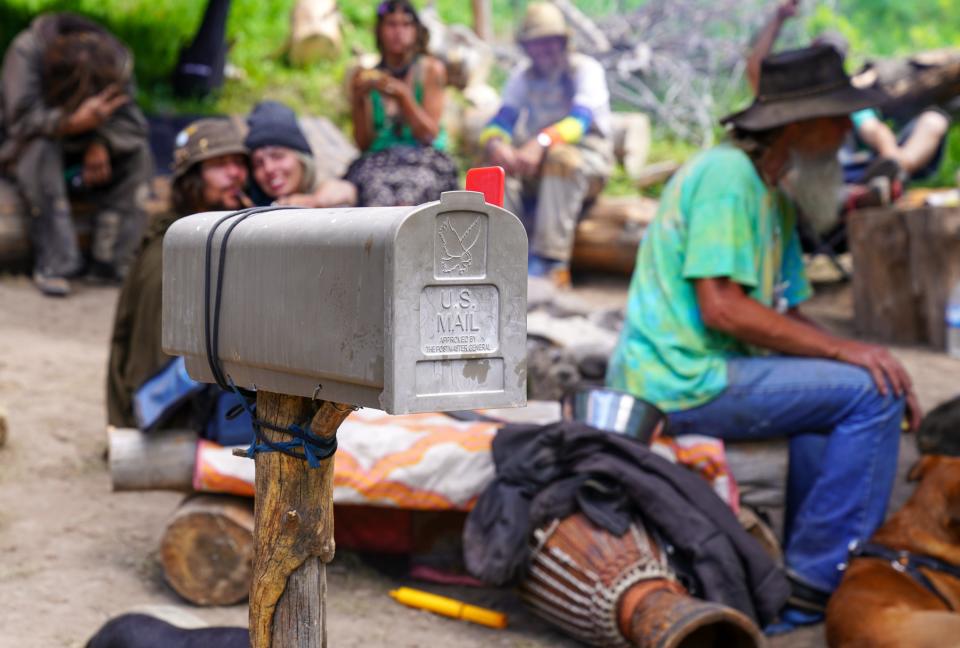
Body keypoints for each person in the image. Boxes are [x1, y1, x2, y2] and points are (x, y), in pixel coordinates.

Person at [606, 45, 922, 632]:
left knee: (864, 383)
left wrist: (869, 357)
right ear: (799, 125)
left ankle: (801, 565)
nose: (845, 135)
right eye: (838, 120)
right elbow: (721, 306)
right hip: (676, 378)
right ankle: (820, 580)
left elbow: (791, 317)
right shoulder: (728, 176)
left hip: (715, 374)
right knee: (870, 394)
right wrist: (850, 355)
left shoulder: (774, 196)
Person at [107, 118, 249, 428]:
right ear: (192, 179)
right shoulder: (167, 260)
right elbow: (152, 372)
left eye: (239, 163)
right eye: (220, 164)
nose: (235, 173)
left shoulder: (204, 235)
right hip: (164, 415)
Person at [0, 13, 153, 296]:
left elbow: (133, 125)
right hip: (29, 144)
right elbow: (20, 123)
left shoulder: (114, 59)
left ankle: (111, 261)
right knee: (41, 151)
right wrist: (71, 122)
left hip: (90, 144)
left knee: (138, 154)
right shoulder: (27, 51)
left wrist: (101, 142)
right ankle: (56, 263)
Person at [747, 0, 950, 191]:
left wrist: (893, 162)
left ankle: (895, 171)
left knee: (933, 121)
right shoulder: (798, 93)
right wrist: (778, 18)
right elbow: (757, 72)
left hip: (851, 171)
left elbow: (874, 130)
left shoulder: (845, 95)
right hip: (811, 177)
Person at [480, 2, 614, 288]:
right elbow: (502, 120)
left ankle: (550, 263)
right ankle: (500, 259)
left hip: (586, 163)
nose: (545, 50)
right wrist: (496, 144)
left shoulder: (585, 70)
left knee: (562, 159)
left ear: (563, 41)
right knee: (498, 171)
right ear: (527, 47)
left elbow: (580, 121)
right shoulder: (522, 76)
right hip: (538, 167)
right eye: (537, 44)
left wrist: (541, 142)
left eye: (551, 42)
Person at [345, 0, 458, 207]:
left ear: (416, 31)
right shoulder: (368, 76)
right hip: (380, 162)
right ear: (379, 30)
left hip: (424, 159)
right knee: (376, 196)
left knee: (410, 196)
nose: (399, 32)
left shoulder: (430, 70)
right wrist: (359, 101)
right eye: (391, 24)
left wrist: (404, 97)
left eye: (406, 25)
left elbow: (428, 134)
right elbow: (363, 144)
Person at [245, 100, 357, 207]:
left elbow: (345, 191)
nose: (268, 168)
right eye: (258, 163)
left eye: (278, 156)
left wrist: (314, 201)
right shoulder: (250, 201)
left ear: (301, 157)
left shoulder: (328, 182)